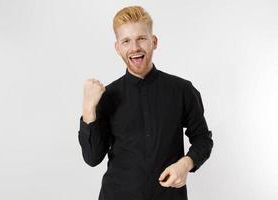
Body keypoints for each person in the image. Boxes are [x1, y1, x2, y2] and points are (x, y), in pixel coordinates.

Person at [78, 5, 213, 200]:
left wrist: (185, 164)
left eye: (141, 38)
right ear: (117, 48)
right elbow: (92, 159)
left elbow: (203, 139)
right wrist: (88, 108)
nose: (134, 48)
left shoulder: (182, 90)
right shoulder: (105, 97)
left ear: (154, 42)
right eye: (126, 41)